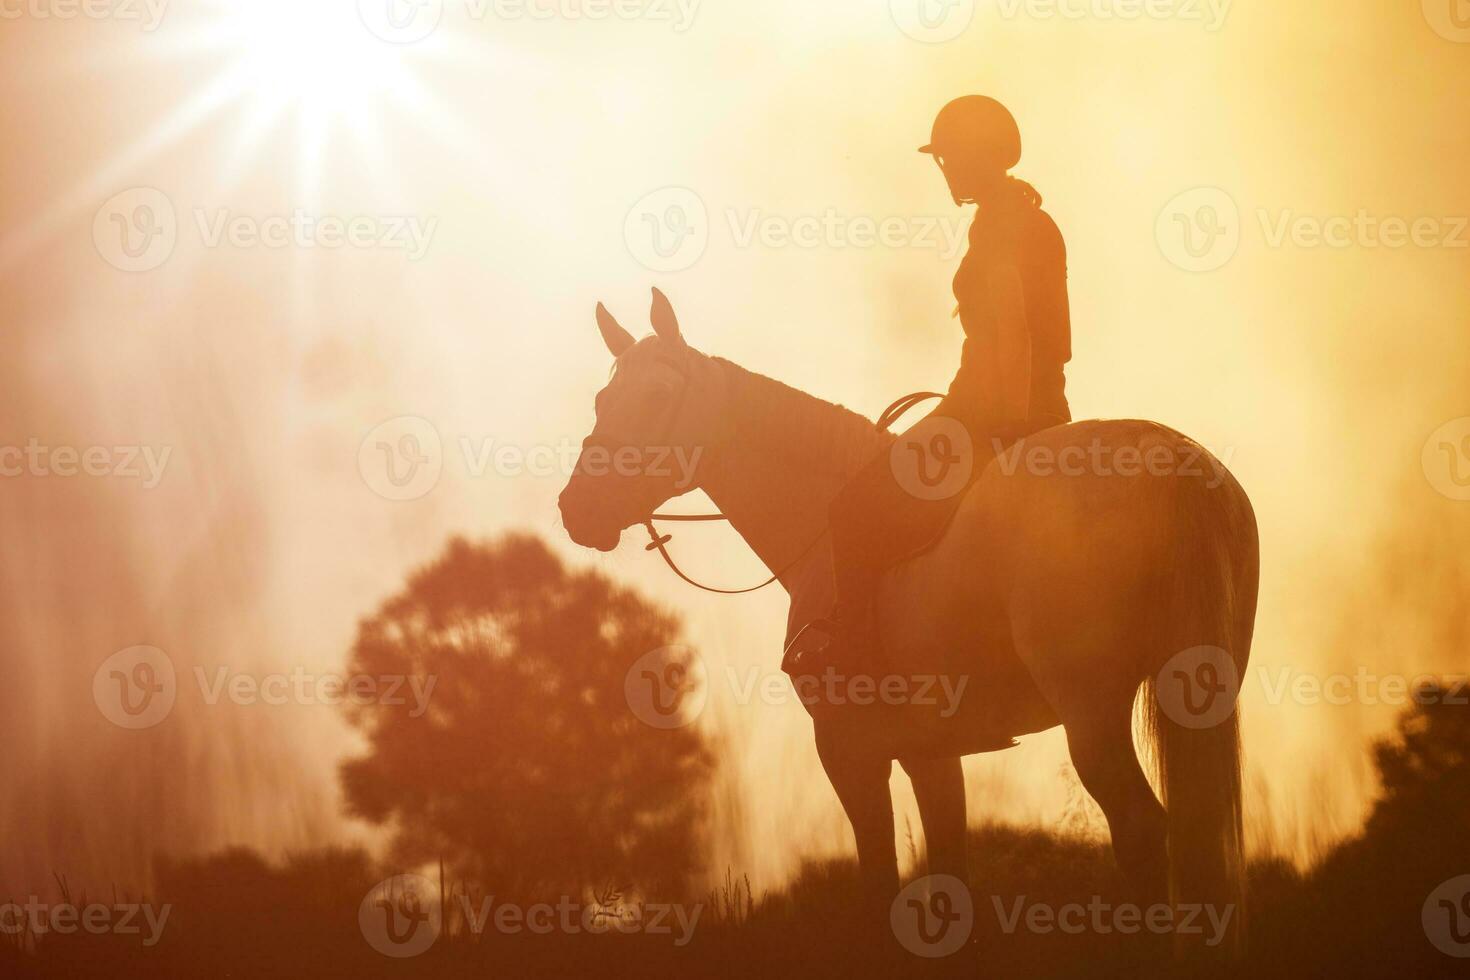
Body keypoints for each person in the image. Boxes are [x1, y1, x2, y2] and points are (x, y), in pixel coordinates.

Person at [785, 96, 1073, 691]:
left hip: (983, 417)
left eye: (949, 159)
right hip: (1052, 408)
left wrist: (1006, 429)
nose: (946, 170)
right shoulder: (1034, 219)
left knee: (853, 510)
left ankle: (860, 663)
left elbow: (1015, 329)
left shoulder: (999, 224)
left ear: (973, 158)